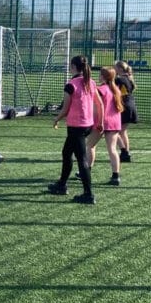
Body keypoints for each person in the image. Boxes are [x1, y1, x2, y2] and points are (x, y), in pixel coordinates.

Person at [48, 55, 104, 204]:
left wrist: (56, 119)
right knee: (66, 153)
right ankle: (61, 184)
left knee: (81, 159)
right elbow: (100, 104)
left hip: (76, 127)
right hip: (87, 125)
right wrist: (100, 122)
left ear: (73, 66)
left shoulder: (71, 85)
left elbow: (65, 109)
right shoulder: (90, 82)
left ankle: (88, 194)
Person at [86, 67, 124, 186]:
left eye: (100, 74)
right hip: (115, 122)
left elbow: (97, 107)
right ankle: (116, 176)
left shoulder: (100, 89)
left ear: (103, 76)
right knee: (112, 149)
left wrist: (92, 121)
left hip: (101, 122)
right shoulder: (116, 90)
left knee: (90, 146)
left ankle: (86, 171)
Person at [114, 60, 138, 162]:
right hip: (131, 106)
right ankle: (126, 153)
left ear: (120, 69)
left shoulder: (119, 80)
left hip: (124, 107)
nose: (114, 69)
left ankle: (124, 152)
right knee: (123, 131)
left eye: (115, 67)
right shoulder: (129, 78)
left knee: (115, 131)